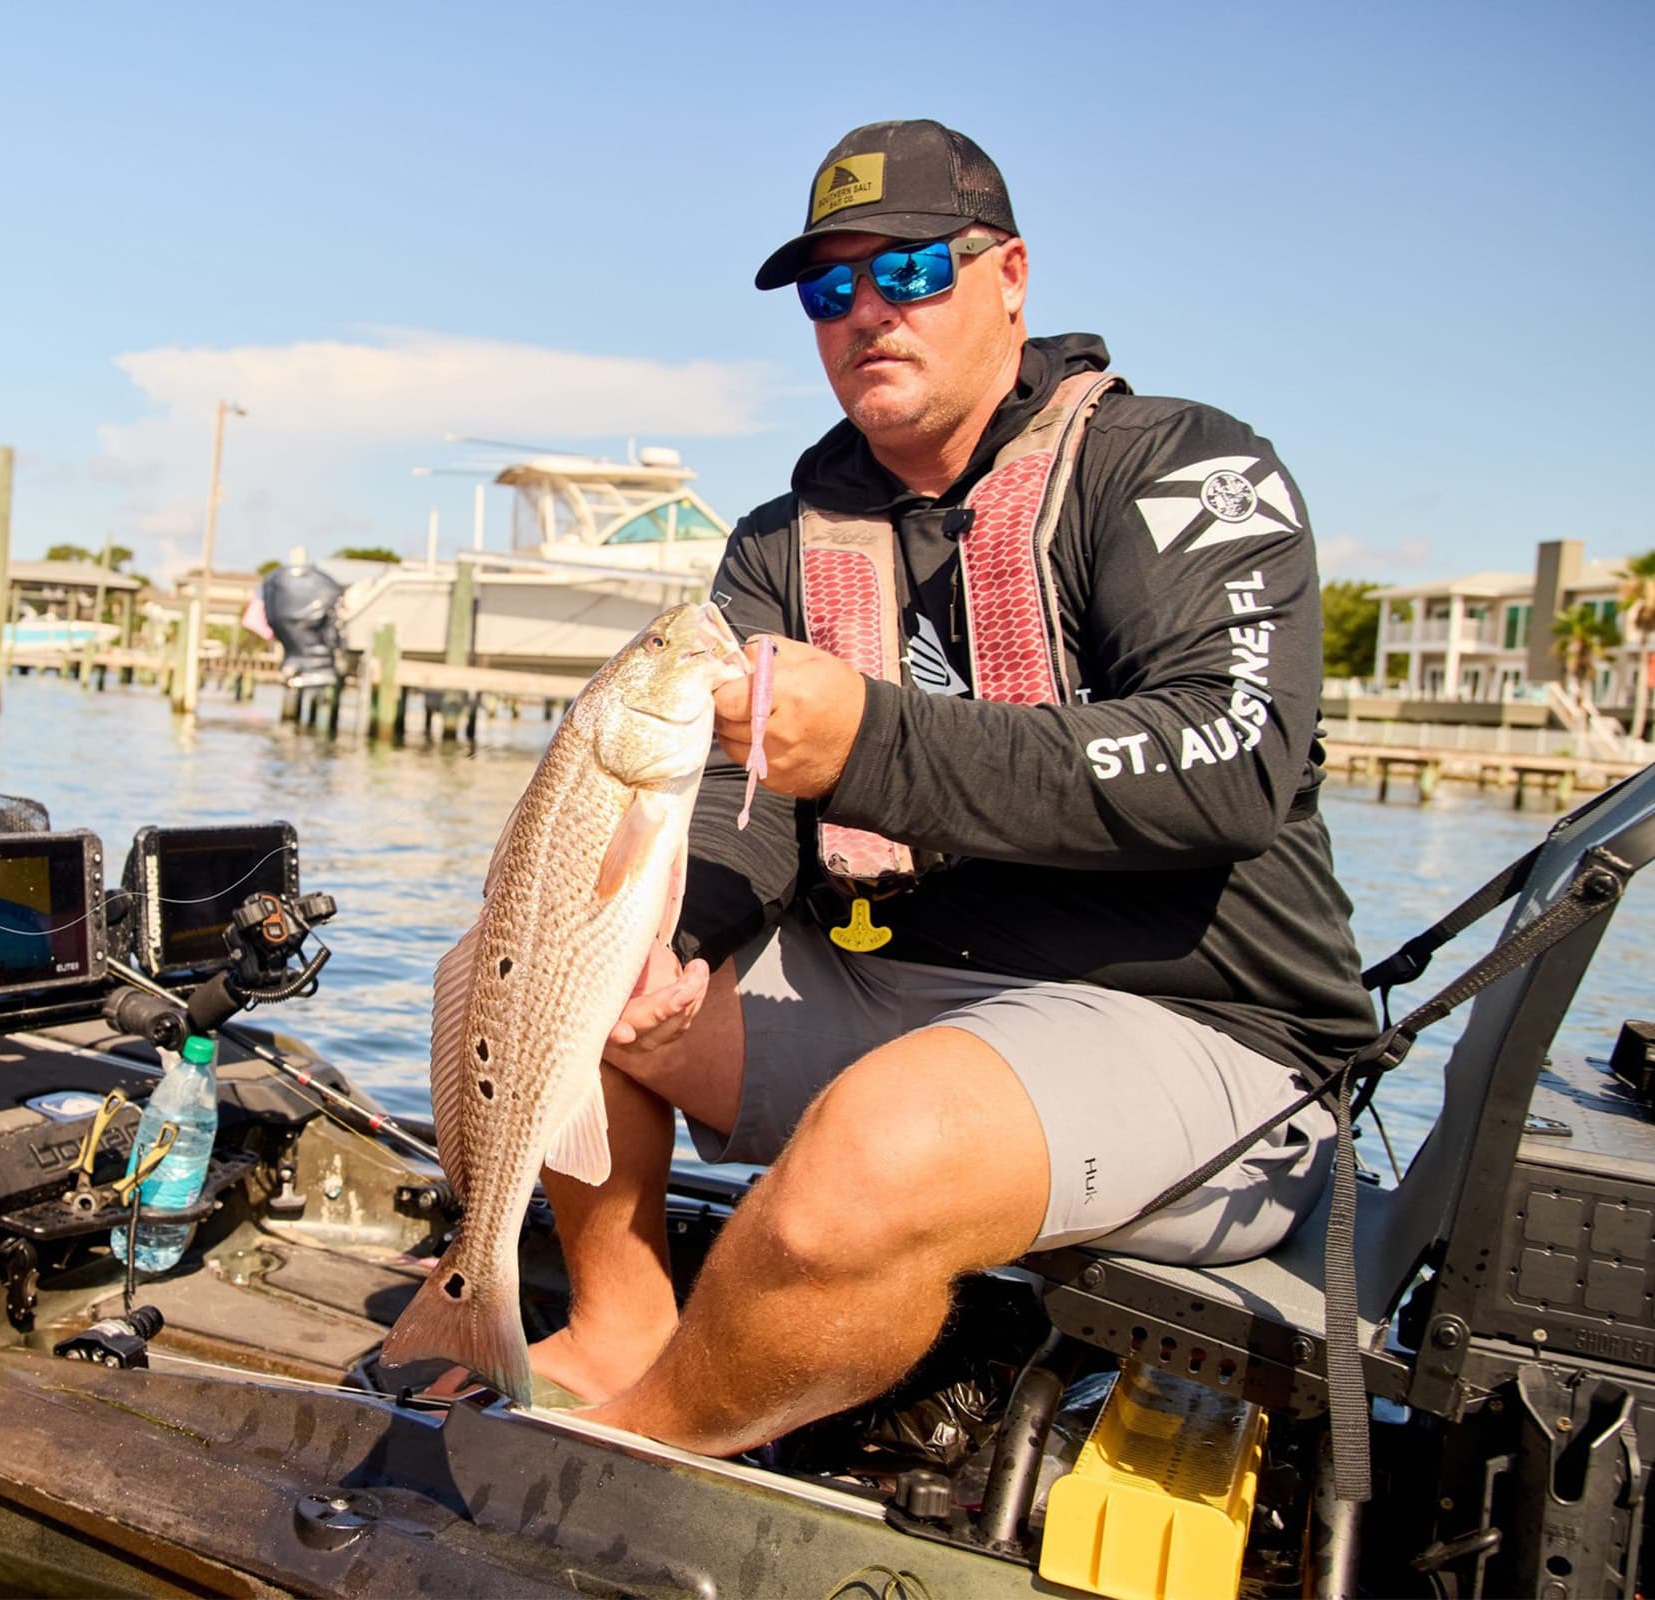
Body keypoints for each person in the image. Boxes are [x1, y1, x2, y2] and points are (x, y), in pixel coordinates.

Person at [530, 121, 1376, 1454]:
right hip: (894, 994)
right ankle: (622, 1322)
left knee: (878, 1148)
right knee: (523, 979)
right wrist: (678, 939)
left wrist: (871, 743)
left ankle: (644, 1452)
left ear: (1013, 275)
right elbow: (730, 814)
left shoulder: (1181, 463)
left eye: (912, 270)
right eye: (831, 290)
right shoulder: (777, 543)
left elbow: (1235, 765)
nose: (868, 313)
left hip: (1205, 1029)